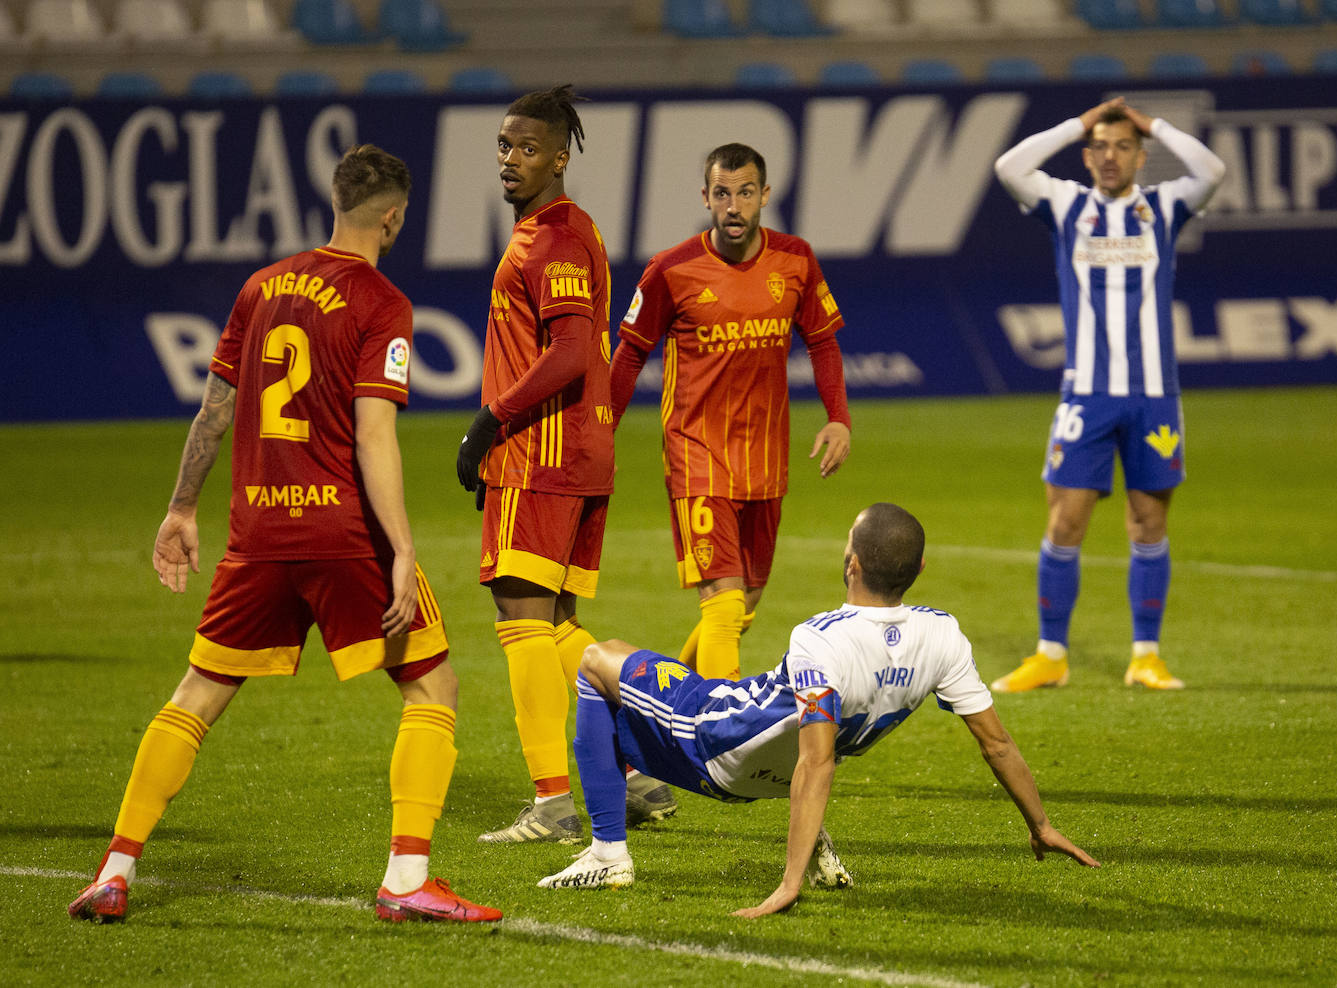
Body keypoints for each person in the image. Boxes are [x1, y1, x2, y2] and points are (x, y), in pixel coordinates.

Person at [67, 145, 500, 925]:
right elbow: (373, 435)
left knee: (195, 697)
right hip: (342, 536)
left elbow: (214, 411)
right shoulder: (382, 301)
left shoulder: (259, 288)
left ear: (335, 202)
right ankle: (406, 879)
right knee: (433, 687)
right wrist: (402, 549)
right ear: (394, 217)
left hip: (257, 534)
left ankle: (114, 868)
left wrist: (179, 509)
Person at [536, 503, 1100, 916]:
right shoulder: (944, 636)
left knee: (596, 659)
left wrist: (786, 885)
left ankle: (608, 851)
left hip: (715, 738)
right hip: (776, 771)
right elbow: (996, 743)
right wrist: (1041, 824)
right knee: (805, 734)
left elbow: (817, 761)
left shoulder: (819, 638)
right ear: (919, 570)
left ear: (852, 564)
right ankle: (809, 844)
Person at [455, 85, 677, 844]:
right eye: (503, 145)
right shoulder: (575, 229)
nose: (509, 160)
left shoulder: (548, 239)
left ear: (559, 156)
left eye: (526, 148)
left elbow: (574, 349)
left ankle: (552, 802)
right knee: (557, 627)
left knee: (521, 621)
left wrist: (489, 421)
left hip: (540, 455)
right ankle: (639, 768)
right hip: (584, 450)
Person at [990, 98, 1226, 694]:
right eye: (1099, 147)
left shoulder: (1164, 206)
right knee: (1065, 520)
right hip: (1087, 395)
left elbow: (1212, 173)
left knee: (1148, 521)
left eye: (1123, 146)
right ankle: (1051, 654)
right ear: (1087, 157)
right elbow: (1009, 168)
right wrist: (1077, 123)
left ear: (1141, 156)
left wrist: (1156, 123)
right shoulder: (1069, 205)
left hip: (1153, 396)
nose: (1110, 157)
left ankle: (1145, 655)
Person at [609, 142, 851, 684]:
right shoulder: (671, 270)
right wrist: (600, 435)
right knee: (721, 605)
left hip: (764, 457)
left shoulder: (795, 259)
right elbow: (627, 356)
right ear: (706, 197)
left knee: (744, 602)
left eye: (745, 193)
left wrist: (838, 416)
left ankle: (661, 722)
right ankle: (716, 743)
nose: (734, 206)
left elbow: (823, 342)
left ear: (764, 195)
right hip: (697, 453)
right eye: (723, 194)